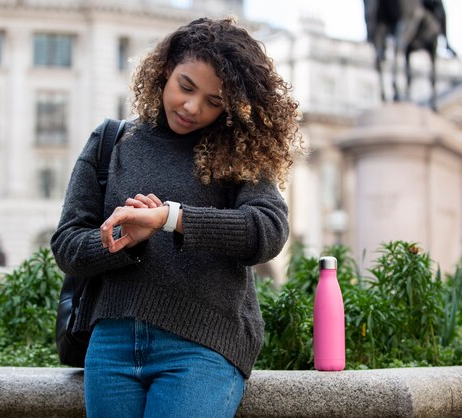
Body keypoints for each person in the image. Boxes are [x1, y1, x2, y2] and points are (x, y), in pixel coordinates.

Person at [51, 16, 301, 418]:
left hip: (201, 347)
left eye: (213, 101)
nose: (192, 107)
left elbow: (267, 231)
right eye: (186, 86)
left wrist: (170, 218)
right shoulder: (111, 141)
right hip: (110, 346)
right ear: (166, 70)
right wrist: (119, 240)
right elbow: (66, 245)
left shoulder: (240, 154)